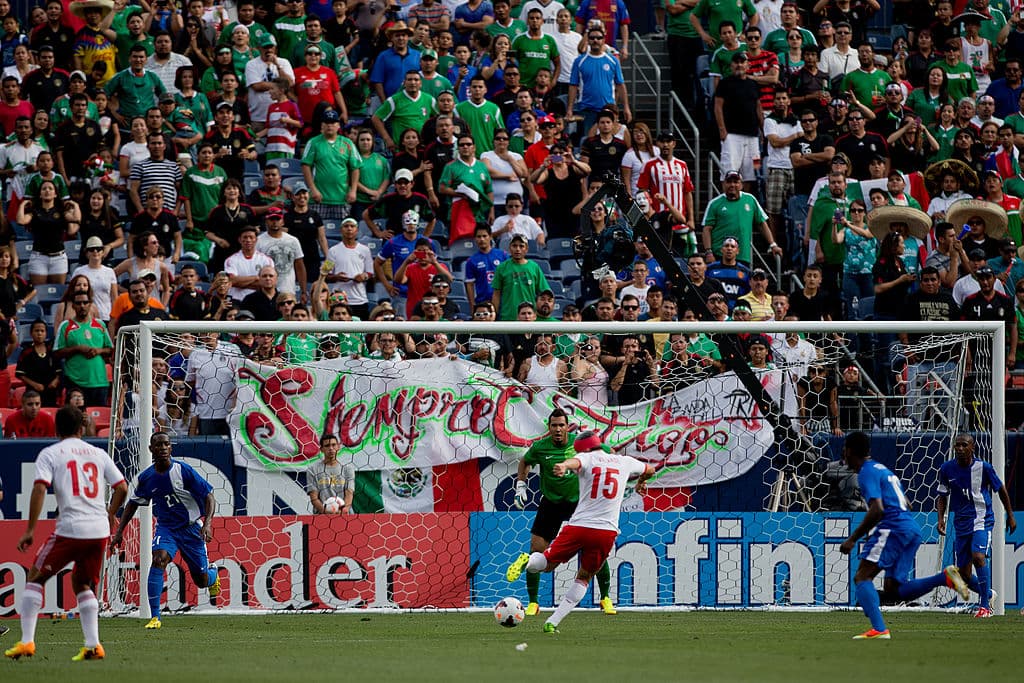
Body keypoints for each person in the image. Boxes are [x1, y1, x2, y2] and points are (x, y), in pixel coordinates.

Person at [4, 405, 127, 661]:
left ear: (56, 428)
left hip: (71, 527)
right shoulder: (98, 452)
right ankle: (93, 645)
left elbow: (39, 489)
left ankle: (27, 642)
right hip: (98, 529)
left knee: (35, 578)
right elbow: (122, 487)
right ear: (82, 427)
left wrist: (30, 529)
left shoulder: (51, 453)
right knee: (83, 583)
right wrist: (110, 513)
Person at [507, 428, 655, 633]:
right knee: (584, 577)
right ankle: (553, 622)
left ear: (582, 450)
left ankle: (528, 560)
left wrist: (563, 465)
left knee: (545, 564)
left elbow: (575, 463)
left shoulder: (586, 459)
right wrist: (641, 482)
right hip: (606, 531)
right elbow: (650, 469)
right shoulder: (624, 461)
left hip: (579, 526)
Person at [839, 430, 970, 639]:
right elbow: (906, 502)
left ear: (850, 451)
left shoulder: (865, 472)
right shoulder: (883, 469)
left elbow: (878, 509)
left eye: (844, 449)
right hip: (911, 528)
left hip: (894, 527)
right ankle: (944, 578)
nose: (843, 453)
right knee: (893, 589)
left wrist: (852, 538)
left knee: (862, 576)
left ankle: (879, 629)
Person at [509, 409, 617, 617]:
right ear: (549, 428)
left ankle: (605, 598)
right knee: (536, 549)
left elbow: (608, 452)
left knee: (593, 551)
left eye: (561, 425)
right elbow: (525, 461)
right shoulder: (540, 447)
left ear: (568, 427)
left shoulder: (580, 445)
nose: (558, 429)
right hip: (551, 503)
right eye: (553, 425)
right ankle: (533, 603)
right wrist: (520, 486)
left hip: (580, 504)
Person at [111, 432, 220, 630]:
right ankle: (155, 617)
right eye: (158, 445)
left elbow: (209, 496)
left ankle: (213, 575)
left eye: (166, 444)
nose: (163, 448)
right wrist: (119, 532)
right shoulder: (147, 478)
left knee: (202, 581)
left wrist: (208, 523)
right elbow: (133, 504)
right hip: (166, 528)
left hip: (191, 529)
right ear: (150, 449)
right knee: (159, 559)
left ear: (171, 448)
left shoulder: (182, 470)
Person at [936, 434, 1017, 618]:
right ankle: (988, 595)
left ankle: (984, 607)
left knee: (979, 557)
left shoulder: (984, 468)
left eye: (964, 445)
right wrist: (940, 519)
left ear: (972, 448)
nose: (960, 449)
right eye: (957, 445)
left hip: (982, 519)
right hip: (961, 523)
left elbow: (1001, 490)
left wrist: (1010, 515)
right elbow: (942, 495)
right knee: (963, 575)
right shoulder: (947, 469)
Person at [306, 432, 356, 514]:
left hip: (345, 515)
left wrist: (344, 510)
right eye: (327, 446)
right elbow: (314, 498)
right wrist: (326, 512)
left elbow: (349, 493)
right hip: (322, 516)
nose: (331, 448)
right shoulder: (313, 470)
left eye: (333, 445)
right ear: (321, 449)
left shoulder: (347, 469)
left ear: (338, 447)